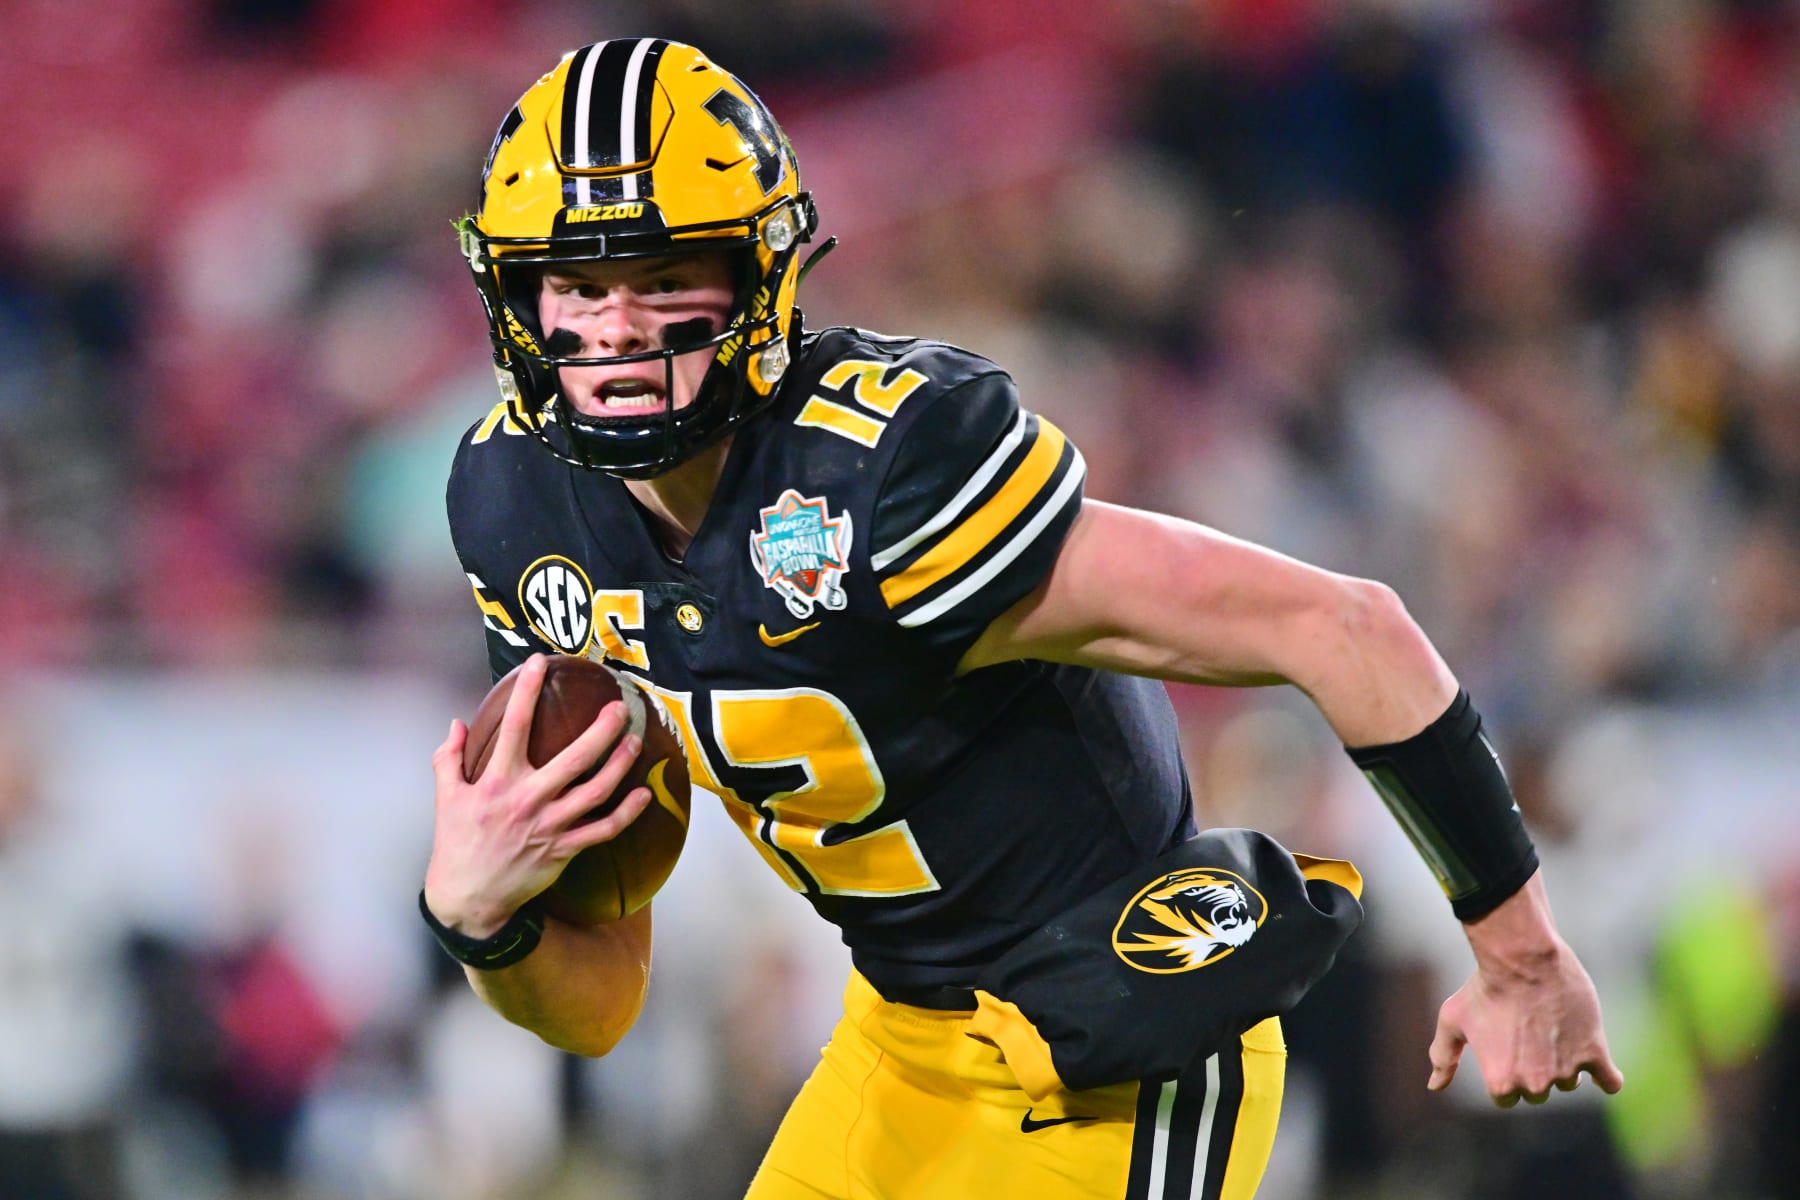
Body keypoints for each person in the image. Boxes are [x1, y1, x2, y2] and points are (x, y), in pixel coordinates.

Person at [422, 37, 1623, 1199]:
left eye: (664, 275)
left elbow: (1346, 628)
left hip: (1114, 1047)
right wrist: (480, 922)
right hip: (897, 1043)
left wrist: (1517, 952)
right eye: (578, 283)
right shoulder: (520, 506)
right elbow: (599, 1006)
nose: (618, 328)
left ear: (759, 273)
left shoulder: (886, 470)